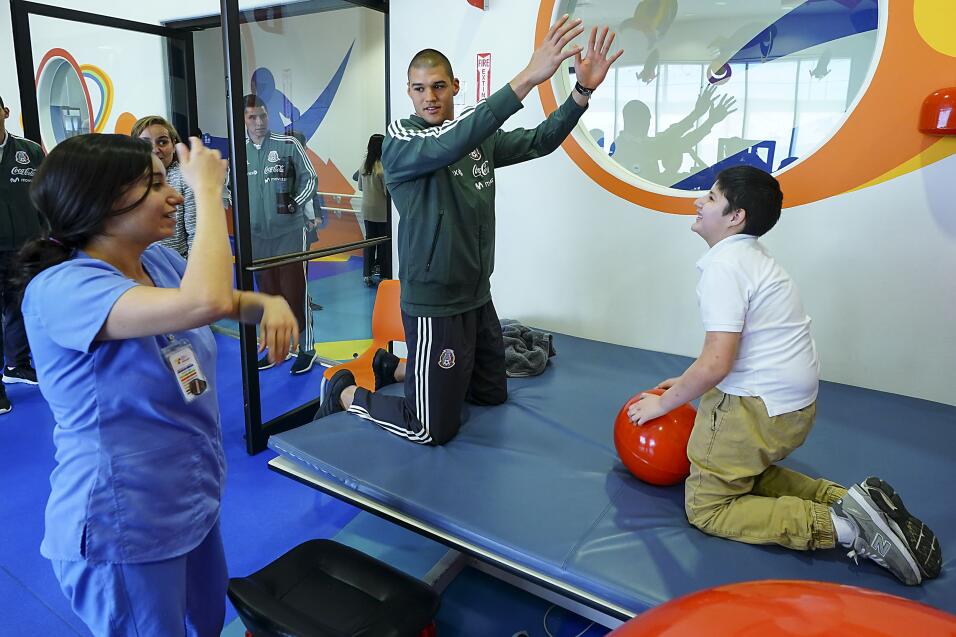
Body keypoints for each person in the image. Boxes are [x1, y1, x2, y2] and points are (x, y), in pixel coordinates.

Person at [17, 134, 298, 635]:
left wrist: (265, 305)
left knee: (208, 621)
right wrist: (207, 193)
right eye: (153, 184)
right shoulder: (63, 289)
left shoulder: (158, 262)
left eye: (169, 180)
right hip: (124, 516)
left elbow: (219, 298)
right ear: (98, 201)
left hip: (188, 495)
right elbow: (203, 302)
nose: (171, 194)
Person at [315, 16, 623, 445]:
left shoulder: (474, 136)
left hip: (477, 295)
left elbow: (539, 140)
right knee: (430, 428)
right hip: (434, 303)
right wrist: (529, 77)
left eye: (439, 86)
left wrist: (581, 93)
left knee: (491, 394)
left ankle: (397, 369)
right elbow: (447, 143)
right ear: (408, 92)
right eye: (419, 88)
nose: (430, 97)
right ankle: (346, 393)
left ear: (455, 86)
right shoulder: (401, 140)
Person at [626, 166, 942, 586]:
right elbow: (730, 351)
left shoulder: (726, 268)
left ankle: (849, 528)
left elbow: (718, 363)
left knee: (707, 507)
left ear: (736, 216)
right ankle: (851, 501)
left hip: (757, 412)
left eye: (712, 198)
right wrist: (683, 382)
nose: (699, 202)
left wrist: (664, 404)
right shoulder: (753, 258)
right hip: (792, 409)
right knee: (748, 474)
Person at [242, 94, 319, 374]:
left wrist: (295, 203)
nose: (259, 122)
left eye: (262, 116)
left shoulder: (288, 145)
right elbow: (228, 189)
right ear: (244, 120)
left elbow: (311, 178)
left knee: (294, 291)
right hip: (258, 237)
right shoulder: (240, 152)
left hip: (289, 233)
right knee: (270, 296)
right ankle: (280, 348)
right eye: (252, 117)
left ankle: (306, 348)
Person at [0, 94, 45, 414]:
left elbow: (45, 196)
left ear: (4, 111)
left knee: (18, 306)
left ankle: (16, 365)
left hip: (24, 246)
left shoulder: (29, 151)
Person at [130, 115, 196, 258]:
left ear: (173, 145)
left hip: (177, 265)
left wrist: (190, 270)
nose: (155, 150)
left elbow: (195, 233)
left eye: (162, 142)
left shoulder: (186, 177)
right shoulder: (129, 180)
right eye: (146, 144)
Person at [355, 133, 389, 286]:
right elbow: (386, 192)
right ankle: (384, 274)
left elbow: (360, 187)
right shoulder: (382, 167)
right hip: (381, 211)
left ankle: (367, 274)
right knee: (383, 243)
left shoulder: (364, 164)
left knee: (369, 241)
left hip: (367, 210)